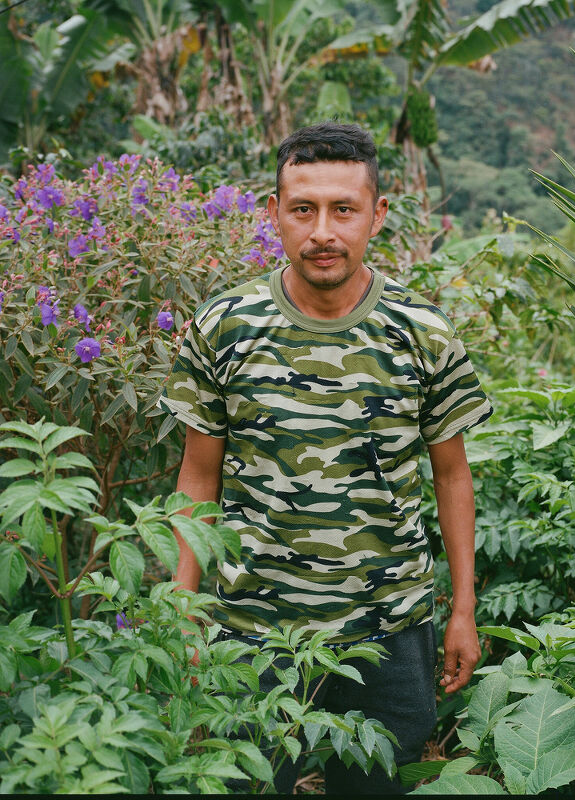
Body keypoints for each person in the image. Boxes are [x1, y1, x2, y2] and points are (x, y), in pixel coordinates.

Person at [159, 122, 492, 794]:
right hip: (250, 629)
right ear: (273, 214)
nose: (322, 232)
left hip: (388, 630)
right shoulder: (225, 327)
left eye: (344, 209)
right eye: (302, 209)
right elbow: (198, 477)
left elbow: (451, 475)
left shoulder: (421, 333)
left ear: (378, 214)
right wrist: (180, 612)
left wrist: (461, 608)